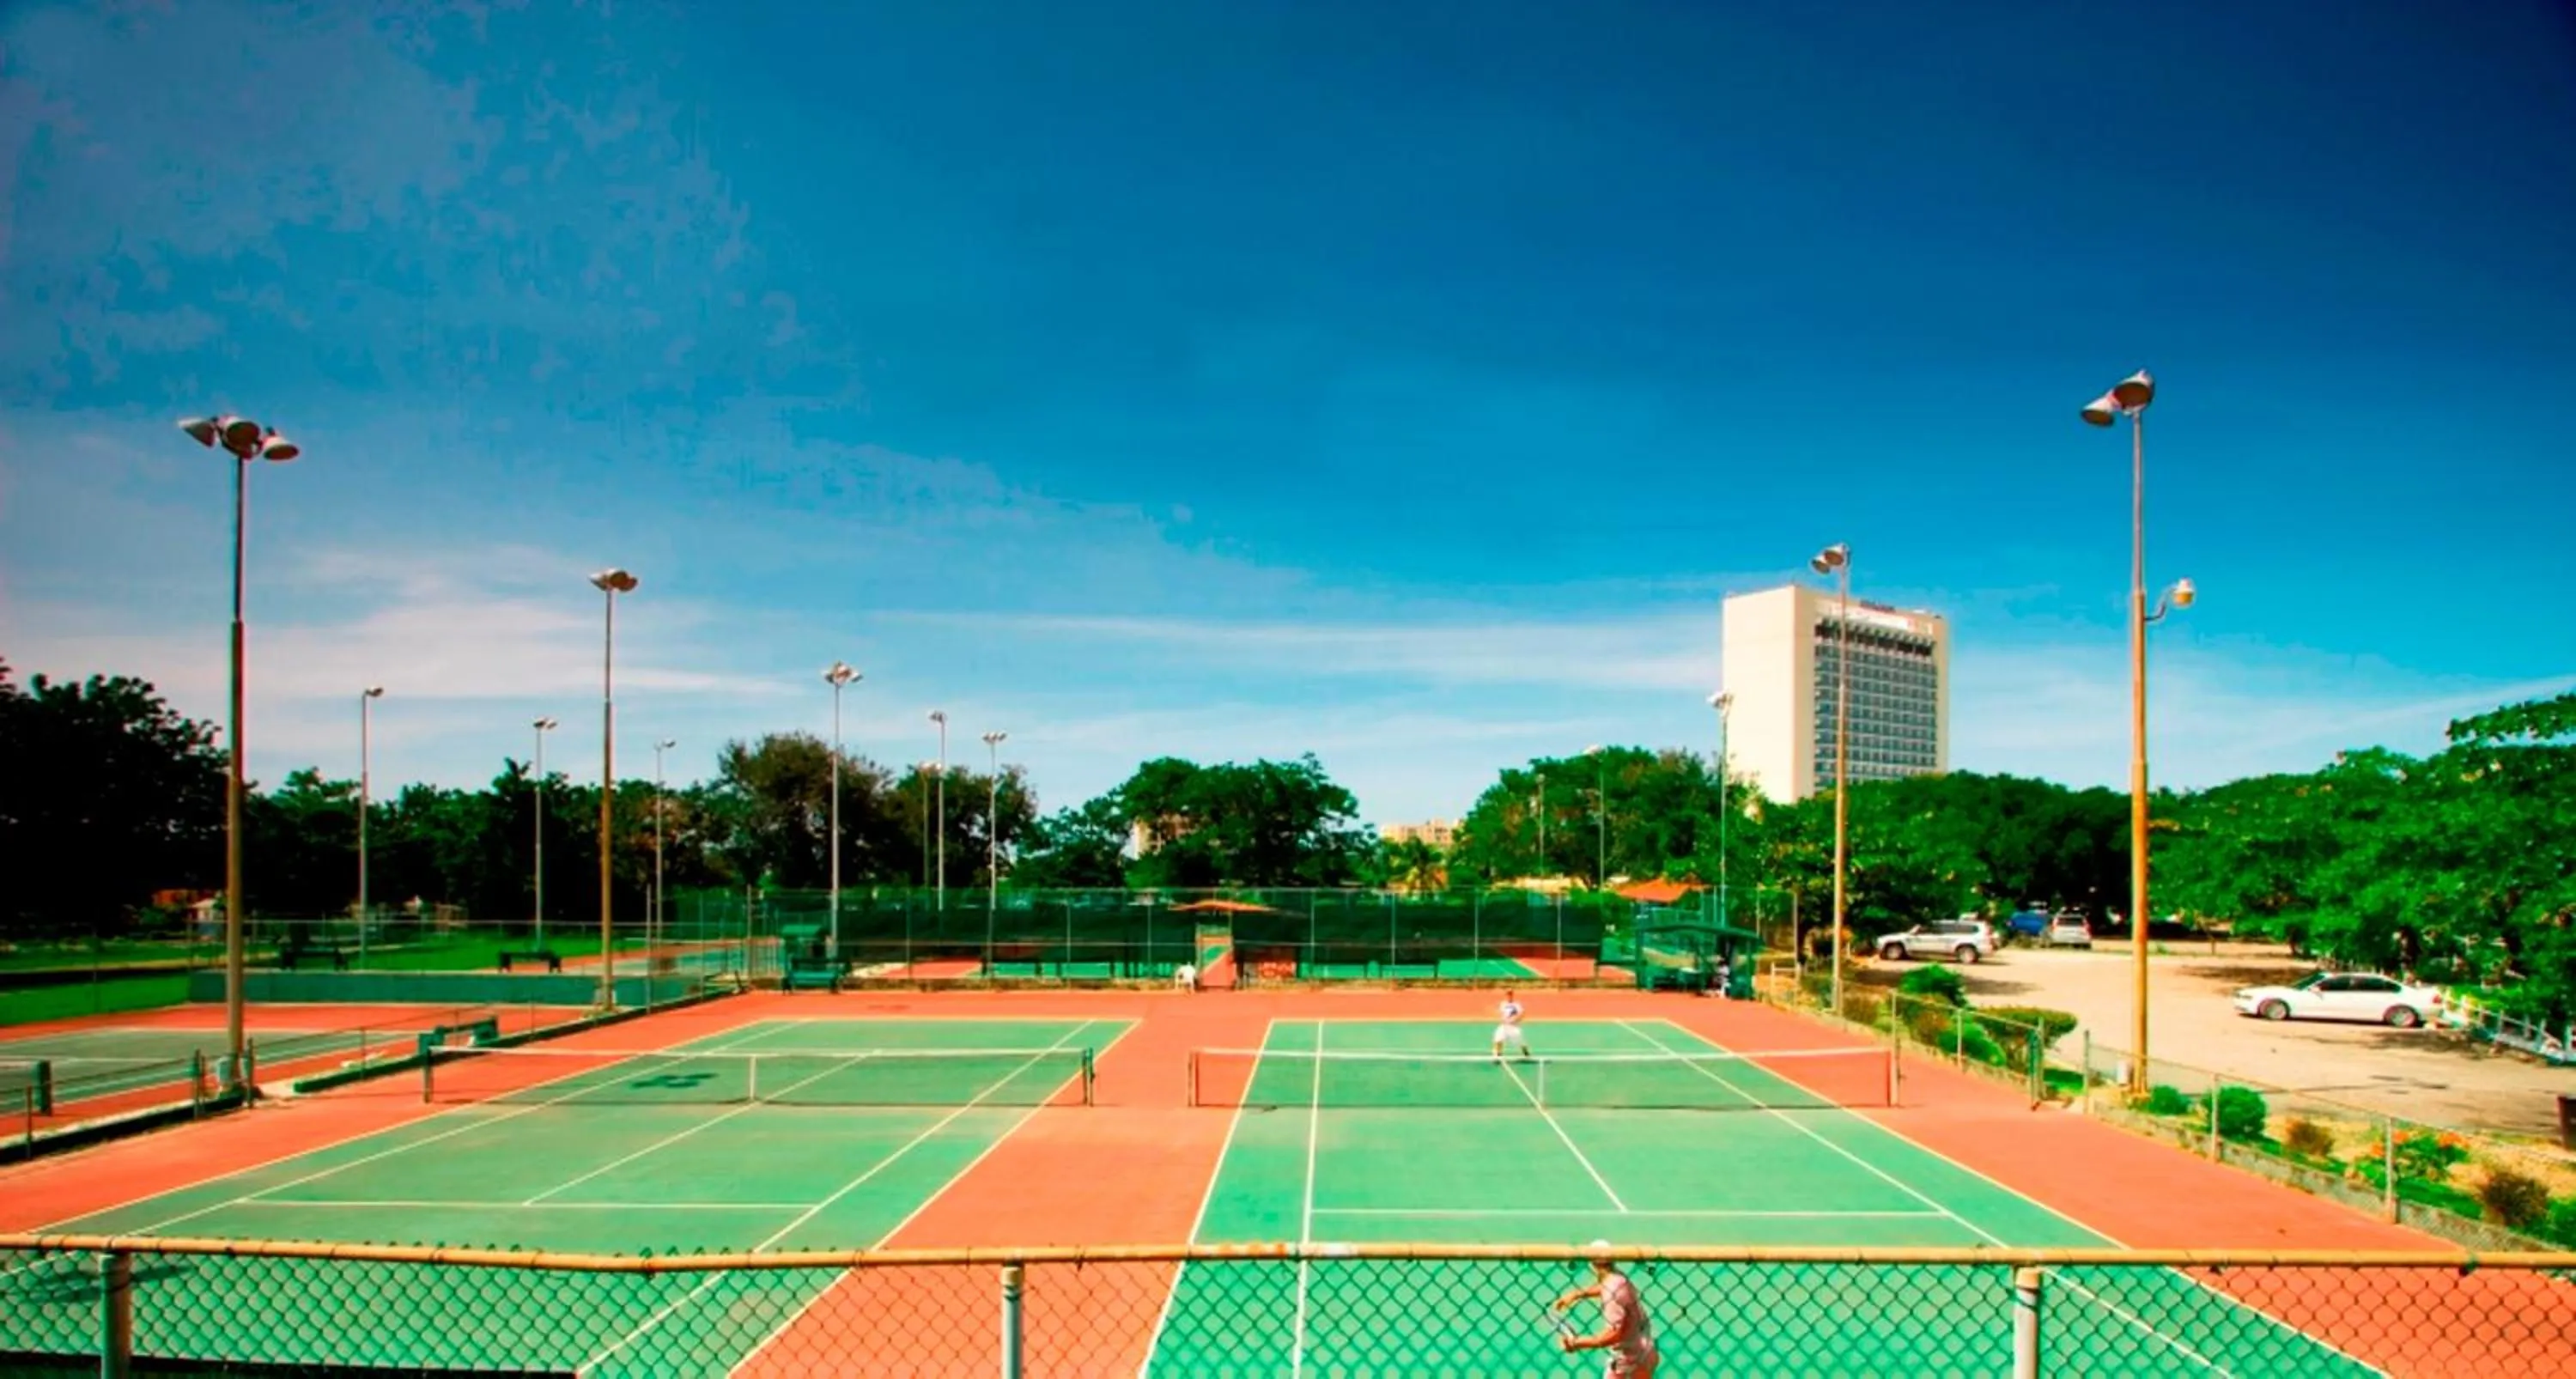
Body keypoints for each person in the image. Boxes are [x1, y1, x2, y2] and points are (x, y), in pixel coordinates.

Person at [1553, 1240, 1660, 1377]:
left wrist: (1577, 1343)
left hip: (1627, 1361)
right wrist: (1578, 1294)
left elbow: (1614, 1334)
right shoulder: (1619, 1279)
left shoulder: (1611, 1294)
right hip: (1646, 1352)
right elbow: (1605, 1287)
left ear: (1592, 1264)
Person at [1492, 990, 1532, 1060]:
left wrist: (1516, 1019)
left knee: (1520, 1042)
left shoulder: (1517, 1004)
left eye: (1510, 994)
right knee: (1498, 1039)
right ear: (1506, 996)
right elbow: (1500, 1013)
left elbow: (1522, 1014)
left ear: (1512, 995)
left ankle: (1526, 1054)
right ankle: (1498, 1055)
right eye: (1507, 994)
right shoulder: (1503, 1004)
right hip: (1504, 1026)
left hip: (1513, 1027)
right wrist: (1502, 1019)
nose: (1509, 996)